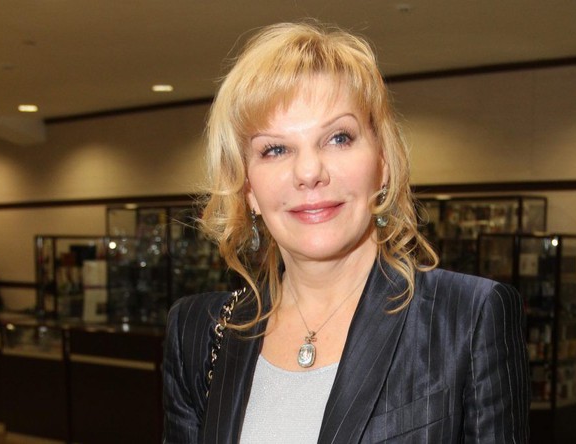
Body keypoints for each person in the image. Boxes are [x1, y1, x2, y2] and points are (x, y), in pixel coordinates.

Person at [163, 21, 530, 443]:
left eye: (338, 138)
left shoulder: (468, 318)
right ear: (248, 188)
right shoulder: (199, 331)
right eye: (275, 149)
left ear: (383, 163)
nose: (308, 172)